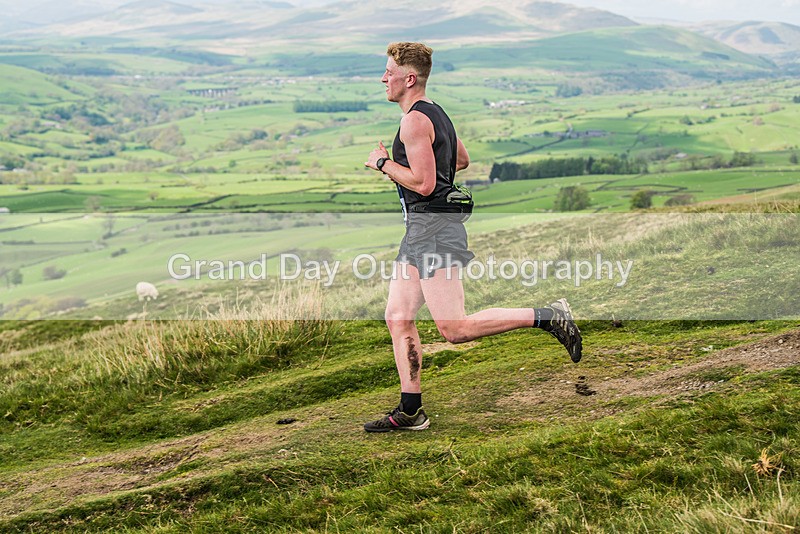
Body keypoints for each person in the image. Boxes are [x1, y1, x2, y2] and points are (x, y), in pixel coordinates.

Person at [363, 42, 582, 433]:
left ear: (408, 78)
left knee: (455, 329)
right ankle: (411, 410)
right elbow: (460, 160)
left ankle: (548, 316)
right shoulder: (436, 113)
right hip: (420, 231)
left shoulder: (413, 122)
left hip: (433, 231)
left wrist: (384, 163)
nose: (383, 79)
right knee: (398, 316)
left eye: (389, 72)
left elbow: (425, 184)